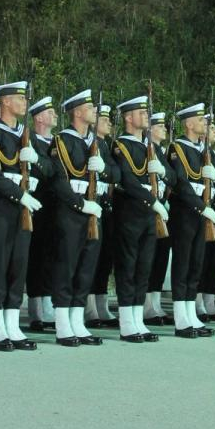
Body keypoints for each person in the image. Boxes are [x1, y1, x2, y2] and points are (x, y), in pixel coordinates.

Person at [0, 82, 49, 351]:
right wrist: (19, 195)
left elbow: (49, 172)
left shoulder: (25, 136)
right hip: (1, 207)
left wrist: (36, 161)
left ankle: (13, 324)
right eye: (19, 99)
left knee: (18, 265)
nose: (24, 103)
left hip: (24, 207)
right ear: (5, 102)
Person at [49, 89, 112, 346]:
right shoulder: (62, 141)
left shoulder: (98, 144)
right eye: (90, 108)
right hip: (71, 212)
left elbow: (115, 173)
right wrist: (80, 204)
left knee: (86, 267)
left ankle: (77, 320)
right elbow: (59, 180)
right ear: (77, 112)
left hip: (93, 210)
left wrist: (105, 168)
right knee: (67, 266)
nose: (95, 112)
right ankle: (63, 323)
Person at [111, 95, 168, 342]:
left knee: (144, 268)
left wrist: (163, 171)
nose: (146, 116)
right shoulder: (120, 146)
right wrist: (152, 201)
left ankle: (137, 320)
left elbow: (175, 177)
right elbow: (127, 179)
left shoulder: (151, 148)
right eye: (141, 113)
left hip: (148, 215)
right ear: (128, 118)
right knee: (128, 267)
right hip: (130, 214)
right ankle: (126, 323)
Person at [166, 102, 215, 338]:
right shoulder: (177, 148)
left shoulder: (204, 149)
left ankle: (190, 313)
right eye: (201, 120)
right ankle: (181, 318)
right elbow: (181, 183)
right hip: (185, 212)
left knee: (196, 263)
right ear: (188, 123)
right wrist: (201, 207)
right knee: (183, 263)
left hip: (201, 212)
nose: (205, 125)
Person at [26, 95, 59, 330]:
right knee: (35, 257)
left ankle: (48, 302)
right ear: (38, 117)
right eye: (50, 112)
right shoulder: (28, 141)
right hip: (35, 204)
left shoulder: (58, 143)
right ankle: (36, 307)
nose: (55, 115)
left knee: (52, 257)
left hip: (55, 206)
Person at [86, 102, 118, 327]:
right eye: (103, 118)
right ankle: (88, 306)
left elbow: (116, 173)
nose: (108, 122)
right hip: (89, 206)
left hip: (106, 207)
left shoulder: (106, 145)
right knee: (90, 260)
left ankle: (100, 302)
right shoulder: (89, 142)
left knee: (104, 259)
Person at [144, 110, 176, 323]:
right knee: (149, 259)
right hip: (148, 208)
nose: (164, 129)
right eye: (159, 125)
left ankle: (155, 304)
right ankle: (147, 307)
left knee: (160, 259)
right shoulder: (146, 149)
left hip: (163, 209)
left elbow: (173, 178)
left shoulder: (161, 151)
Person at [197, 116, 215, 320]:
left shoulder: (212, 153)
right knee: (201, 258)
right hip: (199, 209)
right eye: (211, 127)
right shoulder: (192, 151)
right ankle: (197, 302)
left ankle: (209, 300)